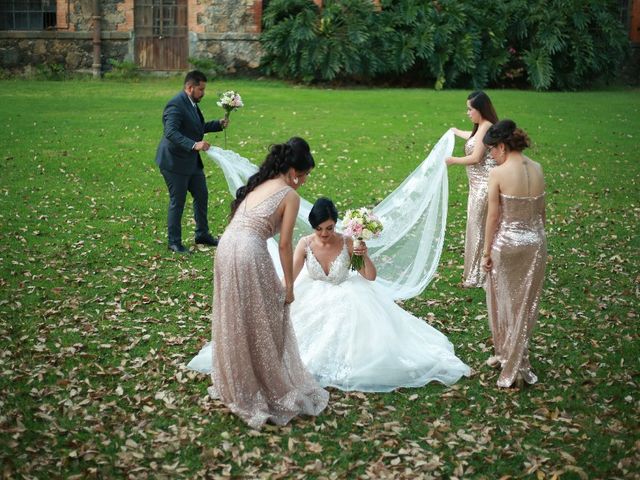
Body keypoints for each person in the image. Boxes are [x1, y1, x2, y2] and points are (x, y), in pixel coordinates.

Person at [188, 137, 328, 429]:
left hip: (226, 248)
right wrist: (289, 287)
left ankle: (241, 382)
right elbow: (285, 244)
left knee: (239, 316)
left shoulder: (260, 183)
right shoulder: (290, 195)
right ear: (292, 171)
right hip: (249, 251)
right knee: (267, 314)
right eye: (303, 176)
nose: (302, 182)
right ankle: (262, 384)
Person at [287, 198, 471, 392]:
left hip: (346, 292)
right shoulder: (305, 244)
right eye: (319, 229)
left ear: (336, 224)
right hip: (313, 293)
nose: (324, 234)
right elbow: (290, 275)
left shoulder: (347, 242)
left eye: (329, 228)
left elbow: (369, 276)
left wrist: (363, 254)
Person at [482, 120, 546, 389]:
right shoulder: (538, 168)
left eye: (492, 151)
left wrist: (485, 252)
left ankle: (514, 364)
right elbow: (542, 213)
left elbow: (493, 216)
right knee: (525, 307)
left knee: (505, 302)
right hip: (536, 244)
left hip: (507, 244)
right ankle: (507, 353)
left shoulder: (498, 173)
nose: (491, 156)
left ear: (502, 146)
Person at [155, 70, 229, 254]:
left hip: (190, 161)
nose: (203, 93)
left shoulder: (192, 104)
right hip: (173, 162)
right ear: (190, 88)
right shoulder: (175, 105)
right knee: (177, 201)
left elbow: (196, 127)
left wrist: (217, 124)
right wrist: (194, 144)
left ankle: (202, 234)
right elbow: (170, 133)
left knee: (202, 194)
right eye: (201, 89)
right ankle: (174, 242)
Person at [446, 91, 499, 287]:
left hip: (484, 186)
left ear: (480, 110)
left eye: (470, 109)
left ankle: (477, 276)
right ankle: (476, 272)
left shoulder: (487, 126)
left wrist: (453, 161)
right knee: (475, 226)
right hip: (477, 185)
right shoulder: (483, 127)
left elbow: (476, 157)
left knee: (477, 227)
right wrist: (456, 131)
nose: (468, 113)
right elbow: (474, 138)